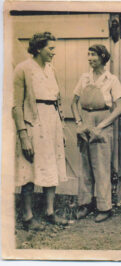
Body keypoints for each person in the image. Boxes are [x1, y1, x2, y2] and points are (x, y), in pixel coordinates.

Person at [12, 32, 68, 231]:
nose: (54, 52)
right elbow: (16, 106)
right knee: (29, 167)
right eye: (50, 48)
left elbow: (56, 100)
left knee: (50, 165)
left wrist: (61, 130)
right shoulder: (23, 69)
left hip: (52, 123)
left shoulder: (51, 69)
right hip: (33, 124)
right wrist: (23, 134)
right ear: (38, 48)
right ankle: (27, 216)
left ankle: (49, 212)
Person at [71, 44, 121, 223]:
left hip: (103, 123)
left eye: (93, 55)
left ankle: (104, 207)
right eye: (88, 54)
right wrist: (79, 123)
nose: (90, 58)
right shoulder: (84, 78)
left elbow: (119, 109)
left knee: (101, 167)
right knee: (85, 165)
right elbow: (74, 103)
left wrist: (101, 126)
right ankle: (85, 204)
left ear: (103, 57)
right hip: (86, 121)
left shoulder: (112, 79)